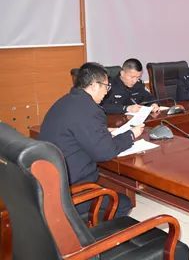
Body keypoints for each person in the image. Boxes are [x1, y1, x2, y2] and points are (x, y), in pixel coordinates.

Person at [39, 62, 144, 218]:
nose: (107, 92)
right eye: (106, 87)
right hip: (71, 189)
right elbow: (105, 152)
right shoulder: (89, 109)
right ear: (94, 86)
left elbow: (78, 129)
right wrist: (130, 135)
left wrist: (103, 131)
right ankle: (92, 232)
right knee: (122, 203)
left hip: (49, 182)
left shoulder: (65, 101)